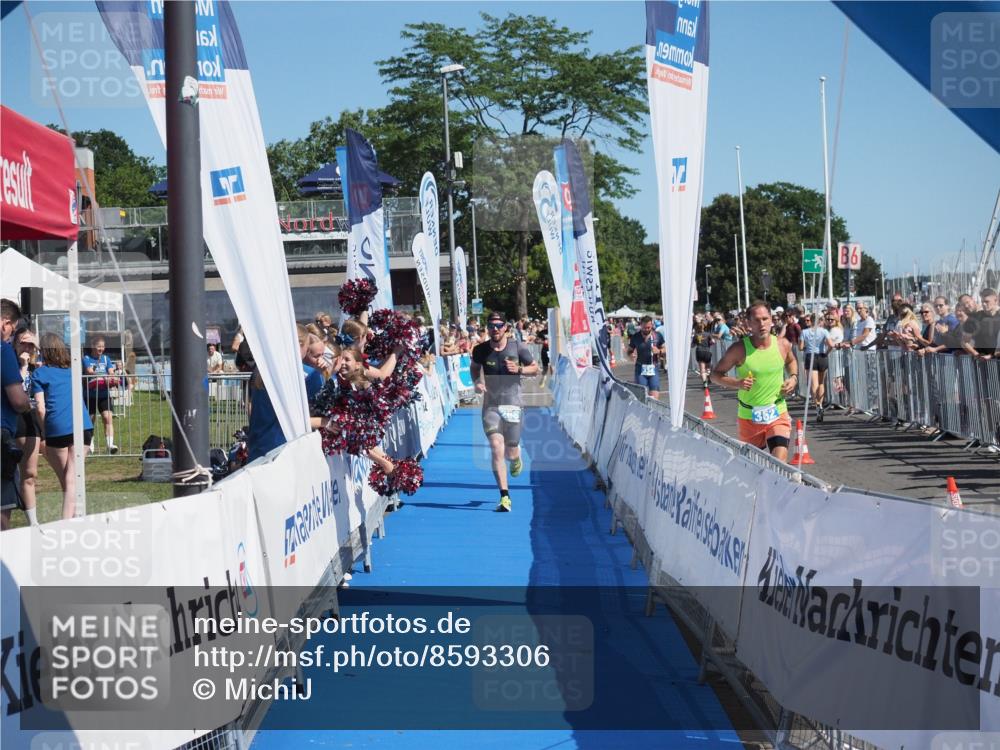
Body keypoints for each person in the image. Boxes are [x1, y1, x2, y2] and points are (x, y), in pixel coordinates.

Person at [710, 302, 798, 461]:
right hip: (749, 415)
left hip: (777, 411)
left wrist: (793, 378)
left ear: (771, 320)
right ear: (748, 323)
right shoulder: (739, 349)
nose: (762, 324)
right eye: (757, 320)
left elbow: (791, 362)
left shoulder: (782, 344)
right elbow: (715, 375)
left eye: (765, 319)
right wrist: (737, 383)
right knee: (753, 467)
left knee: (779, 464)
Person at [470, 312, 538, 513]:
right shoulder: (481, 350)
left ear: (505, 327)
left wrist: (518, 369)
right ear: (487, 328)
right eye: (491, 325)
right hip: (490, 405)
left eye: (499, 325)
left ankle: (516, 457)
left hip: (513, 404)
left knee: (511, 448)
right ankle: (505, 496)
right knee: (495, 445)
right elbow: (474, 369)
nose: (495, 329)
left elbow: (535, 369)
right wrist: (477, 382)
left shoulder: (518, 347)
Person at [33, 333, 94, 520]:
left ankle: (67, 523)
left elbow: (40, 408)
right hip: (82, 426)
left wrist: (44, 431)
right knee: (72, 480)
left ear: (44, 351)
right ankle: (76, 519)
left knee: (67, 480)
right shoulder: (74, 369)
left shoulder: (39, 374)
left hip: (56, 430)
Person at [1, 299, 32, 530]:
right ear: (5, 324)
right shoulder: (3, 351)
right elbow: (18, 400)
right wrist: (28, 406)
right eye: (13, 328)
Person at [13, 328, 42, 526]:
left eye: (31, 344)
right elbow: (18, 395)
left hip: (32, 420)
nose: (27, 347)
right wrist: (23, 367)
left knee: (30, 473)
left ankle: (33, 523)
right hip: (12, 420)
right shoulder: (9, 365)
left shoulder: (38, 367)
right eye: (23, 342)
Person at [83, 335, 118, 454]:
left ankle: (110, 445)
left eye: (103, 347)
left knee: (107, 417)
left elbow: (111, 372)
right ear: (93, 346)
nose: (101, 349)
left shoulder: (106, 358)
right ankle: (90, 445)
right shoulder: (86, 358)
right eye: (99, 346)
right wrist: (103, 376)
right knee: (90, 420)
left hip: (104, 393)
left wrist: (112, 378)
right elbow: (89, 371)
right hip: (90, 394)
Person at [800, 313, 832, 419]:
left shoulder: (804, 332)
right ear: (819, 321)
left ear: (811, 321)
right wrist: (826, 353)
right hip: (822, 356)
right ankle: (821, 404)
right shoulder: (824, 331)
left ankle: (817, 404)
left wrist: (806, 347)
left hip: (811, 356)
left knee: (814, 384)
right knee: (821, 383)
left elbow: (800, 347)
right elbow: (831, 345)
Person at [628, 315, 665, 399]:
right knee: (641, 396)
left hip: (653, 367)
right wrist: (631, 355)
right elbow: (629, 350)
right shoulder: (636, 337)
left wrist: (659, 351)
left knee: (655, 396)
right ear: (641, 325)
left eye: (649, 327)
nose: (647, 329)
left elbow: (665, 348)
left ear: (651, 325)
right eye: (645, 327)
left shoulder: (657, 335)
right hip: (640, 368)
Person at [692, 321, 713, 387]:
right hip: (707, 351)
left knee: (702, 369)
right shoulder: (708, 334)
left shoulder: (696, 335)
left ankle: (705, 383)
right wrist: (709, 343)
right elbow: (713, 341)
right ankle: (709, 376)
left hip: (699, 351)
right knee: (709, 367)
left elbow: (692, 345)